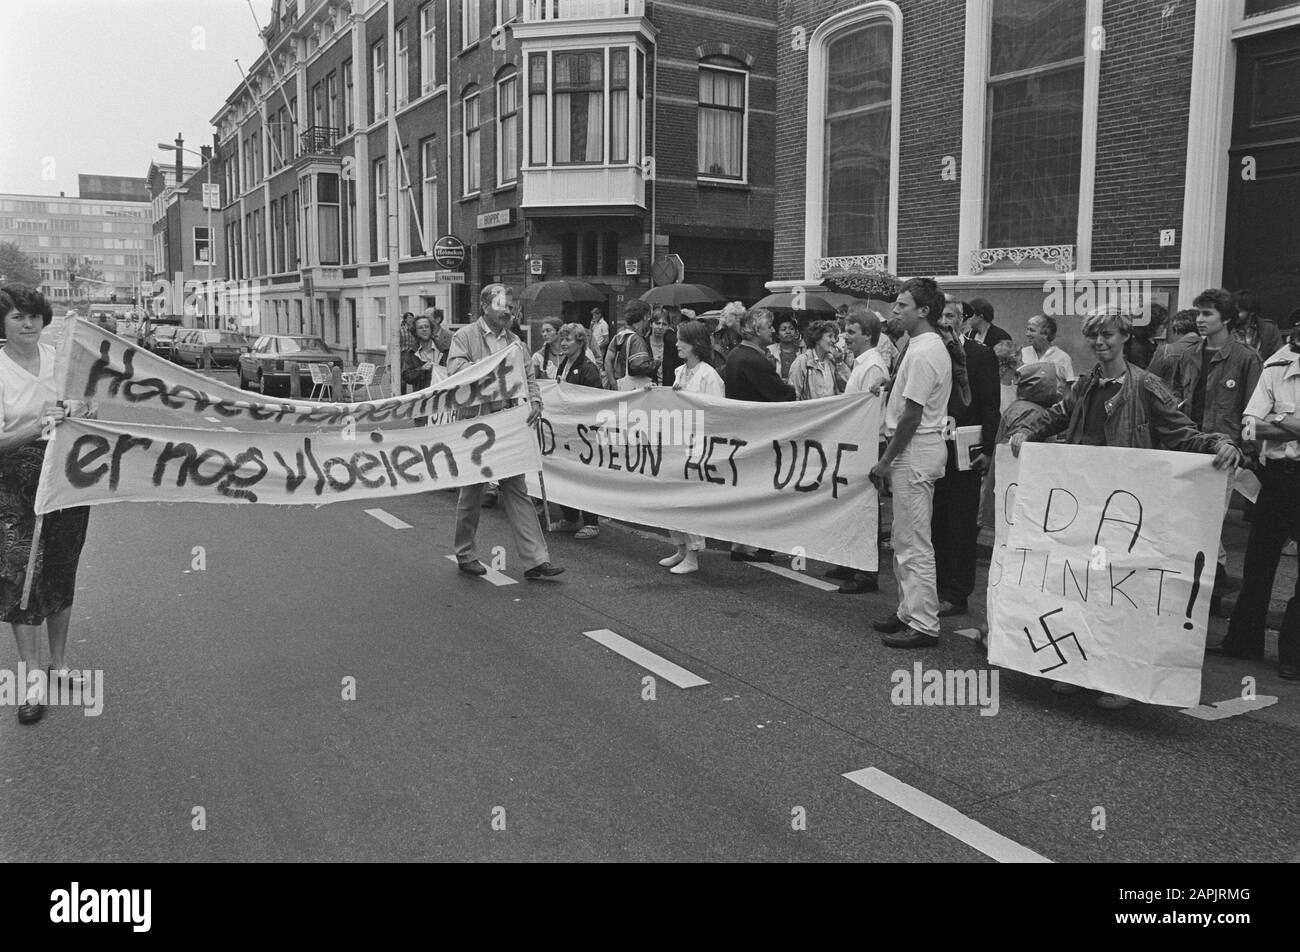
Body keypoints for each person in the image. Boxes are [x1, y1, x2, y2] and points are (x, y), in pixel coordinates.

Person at [1010, 306, 1244, 707]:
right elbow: (1056, 416)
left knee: (1120, 592)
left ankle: (1118, 680)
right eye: (1094, 337)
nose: (1100, 343)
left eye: (1109, 336)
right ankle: (1079, 669)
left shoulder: (1146, 386)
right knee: (1084, 588)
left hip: (1124, 512)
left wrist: (1219, 444)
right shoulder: (1085, 386)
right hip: (1087, 506)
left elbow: (1180, 431)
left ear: (1124, 339)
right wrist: (1025, 431)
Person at [0, 285, 94, 725]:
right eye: (18, 316)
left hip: (65, 479)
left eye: (35, 315)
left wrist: (80, 407)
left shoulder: (62, 362)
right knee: (21, 575)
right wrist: (38, 425)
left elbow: (89, 409)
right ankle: (32, 676)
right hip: (14, 484)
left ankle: (58, 663)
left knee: (60, 567)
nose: (29, 323)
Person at [1147, 290, 1261, 606]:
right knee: (1185, 519)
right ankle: (1202, 581)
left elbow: (1253, 410)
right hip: (1185, 449)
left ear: (1225, 318)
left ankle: (1207, 587)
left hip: (1221, 454)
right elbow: (1165, 396)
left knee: (1207, 521)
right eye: (1198, 313)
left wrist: (1246, 450)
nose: (1200, 319)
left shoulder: (1246, 358)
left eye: (1208, 314)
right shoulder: (1185, 355)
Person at [446, 284, 563, 581]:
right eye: (503, 305)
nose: (509, 312)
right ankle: (465, 553)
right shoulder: (465, 336)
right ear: (485, 306)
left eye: (511, 307)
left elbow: (529, 377)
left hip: (509, 424)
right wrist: (493, 367)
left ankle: (537, 560)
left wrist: (535, 401)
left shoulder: (516, 342)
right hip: (477, 425)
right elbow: (456, 372)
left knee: (517, 490)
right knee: (472, 491)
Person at [1213, 322, 1300, 680]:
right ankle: (1243, 641)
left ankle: (1293, 655)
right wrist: (1290, 423)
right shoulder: (1276, 366)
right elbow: (1250, 426)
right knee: (1258, 565)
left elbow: (1264, 424)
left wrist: (1274, 423)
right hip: (1278, 478)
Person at [870, 278, 953, 649]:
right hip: (916, 449)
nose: (895, 311)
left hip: (915, 450)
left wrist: (886, 461)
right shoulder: (919, 347)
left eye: (902, 305)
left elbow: (912, 416)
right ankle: (908, 610)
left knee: (914, 540)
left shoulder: (923, 352)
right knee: (903, 537)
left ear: (924, 310)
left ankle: (923, 622)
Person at [933, 297, 1001, 619]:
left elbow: (990, 405)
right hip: (933, 449)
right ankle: (937, 585)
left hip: (966, 452)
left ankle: (957, 593)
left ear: (962, 320)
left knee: (960, 523)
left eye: (950, 316)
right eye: (939, 316)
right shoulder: (929, 353)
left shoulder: (979, 355)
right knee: (936, 521)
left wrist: (988, 450)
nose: (944, 321)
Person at [725, 308, 796, 563]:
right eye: (769, 327)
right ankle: (748, 545)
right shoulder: (753, 360)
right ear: (756, 330)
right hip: (759, 436)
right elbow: (781, 394)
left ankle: (742, 543)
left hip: (744, 434)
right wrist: (792, 388)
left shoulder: (736, 355)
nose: (774, 331)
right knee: (758, 491)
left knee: (746, 490)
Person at [828, 307, 889, 594]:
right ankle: (849, 560)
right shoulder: (861, 363)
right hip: (856, 441)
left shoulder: (873, 366)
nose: (845, 336)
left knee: (864, 508)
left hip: (867, 443)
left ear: (868, 335)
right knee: (850, 503)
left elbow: (870, 410)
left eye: (851, 332)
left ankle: (866, 571)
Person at [659, 320, 726, 576]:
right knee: (671, 497)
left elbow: (718, 411)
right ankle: (680, 547)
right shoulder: (679, 372)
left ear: (694, 344)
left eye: (681, 340)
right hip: (677, 442)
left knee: (688, 499)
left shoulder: (709, 375)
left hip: (697, 445)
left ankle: (694, 553)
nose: (676, 344)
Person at [978, 362, 1064, 531]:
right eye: (1057, 383)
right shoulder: (1031, 412)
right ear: (1044, 385)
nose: (1061, 389)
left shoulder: (1023, 407)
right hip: (1019, 499)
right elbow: (1016, 455)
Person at [552, 323, 603, 541]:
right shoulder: (564, 363)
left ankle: (591, 522)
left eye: (568, 340)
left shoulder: (588, 368)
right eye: (562, 339)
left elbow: (595, 400)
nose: (563, 343)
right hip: (565, 431)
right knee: (564, 473)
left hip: (583, 432)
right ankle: (570, 517)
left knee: (584, 477)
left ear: (580, 342)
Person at [604, 300, 658, 390]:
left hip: (619, 387)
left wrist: (613, 383)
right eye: (649, 317)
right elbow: (639, 366)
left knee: (622, 405)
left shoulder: (619, 336)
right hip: (634, 392)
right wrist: (656, 363)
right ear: (645, 317)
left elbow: (607, 361)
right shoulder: (636, 340)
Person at [788, 320, 848, 400]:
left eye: (834, 337)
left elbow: (847, 388)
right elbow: (794, 395)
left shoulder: (832, 361)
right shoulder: (802, 362)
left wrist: (839, 362)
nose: (834, 341)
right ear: (817, 339)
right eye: (830, 336)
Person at [401, 314, 449, 397]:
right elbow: (406, 376)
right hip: (422, 400)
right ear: (415, 332)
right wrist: (421, 370)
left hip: (443, 398)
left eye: (426, 326)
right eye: (420, 327)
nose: (424, 329)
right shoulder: (411, 353)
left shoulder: (444, 349)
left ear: (431, 329)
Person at [1020, 315, 1076, 385]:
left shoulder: (1063, 358)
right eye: (1027, 329)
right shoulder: (1022, 353)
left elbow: (1067, 391)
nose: (1027, 334)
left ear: (1045, 334)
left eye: (1032, 330)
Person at [1232, 289, 1281, 360]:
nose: (1234, 314)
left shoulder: (1269, 329)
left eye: (1239, 311)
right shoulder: (1225, 328)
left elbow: (1277, 357)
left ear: (1252, 312)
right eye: (1232, 310)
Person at [648, 307, 682, 386]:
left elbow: (678, 369)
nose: (660, 327)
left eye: (664, 324)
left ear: (668, 326)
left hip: (668, 390)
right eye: (657, 323)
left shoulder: (673, 345)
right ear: (650, 324)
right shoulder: (643, 343)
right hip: (648, 390)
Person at [766, 315, 806, 384]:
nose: (788, 332)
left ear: (796, 333)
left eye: (791, 328)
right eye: (783, 329)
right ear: (777, 335)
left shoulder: (803, 350)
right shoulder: (770, 351)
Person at [711, 301, 744, 367]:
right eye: (739, 319)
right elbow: (716, 369)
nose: (743, 324)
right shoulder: (717, 339)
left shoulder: (744, 338)